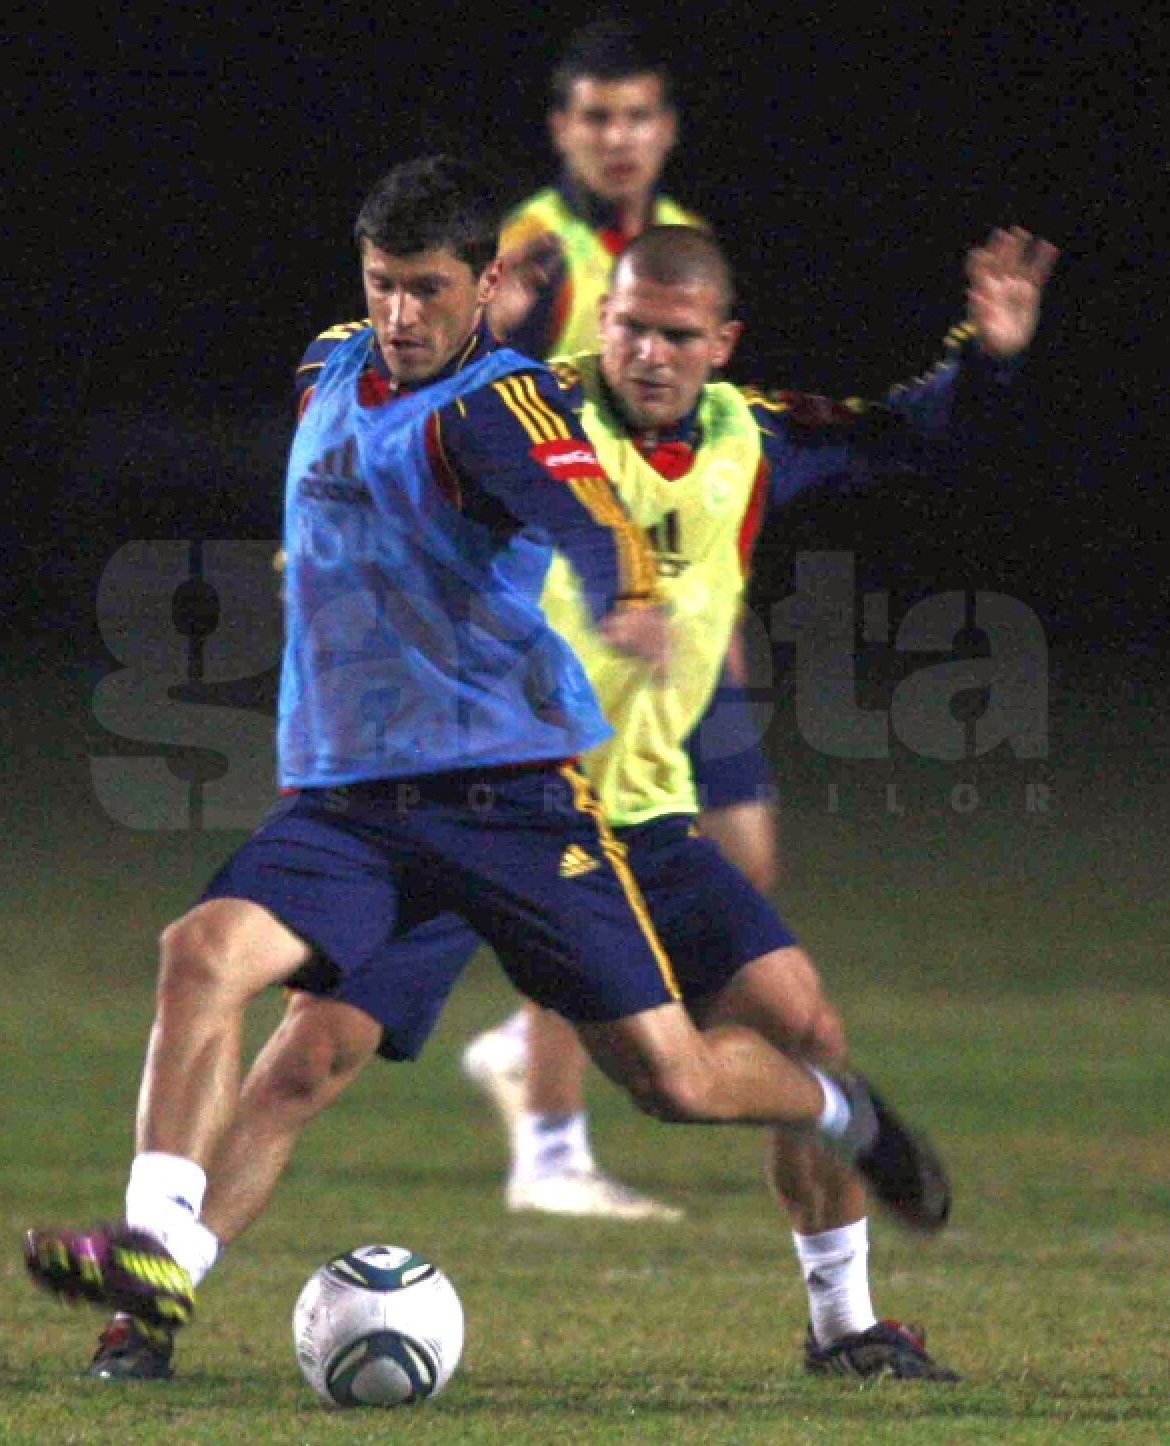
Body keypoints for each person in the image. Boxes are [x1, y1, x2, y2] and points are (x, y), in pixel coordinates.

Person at [68, 216, 1055, 1387]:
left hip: (626, 813)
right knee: (303, 1060)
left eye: (677, 335)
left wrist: (988, 357)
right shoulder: (525, 410)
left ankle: (846, 1322)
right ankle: (148, 1306)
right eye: (628, 325)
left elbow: (908, 437)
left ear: (720, 344)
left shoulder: (754, 439)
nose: (646, 353)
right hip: (459, 793)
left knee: (791, 1035)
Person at [466, 14, 780, 1222]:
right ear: (562, 130)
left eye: (639, 115)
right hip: (570, 629)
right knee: (588, 867)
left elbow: (706, 443)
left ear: (666, 127)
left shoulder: (677, 248)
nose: (620, 137)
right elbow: (477, 418)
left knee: (740, 858)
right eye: (597, 116)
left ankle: (521, 1047)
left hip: (675, 627)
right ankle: (550, 1148)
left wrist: (712, 600)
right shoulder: (534, 258)